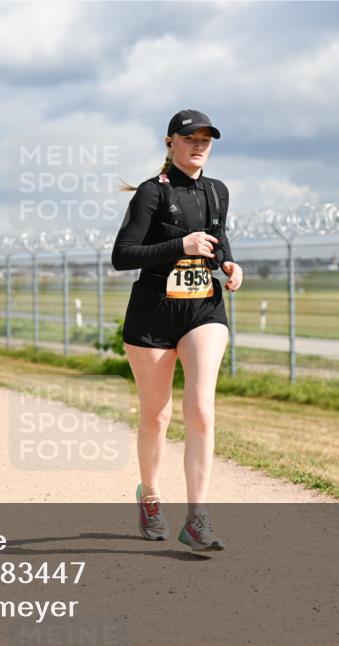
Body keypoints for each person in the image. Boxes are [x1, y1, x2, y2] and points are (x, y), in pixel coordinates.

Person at [112, 109, 244, 554]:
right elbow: (123, 255)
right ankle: (149, 497)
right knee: (156, 415)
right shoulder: (152, 193)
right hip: (153, 316)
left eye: (207, 138)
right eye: (191, 138)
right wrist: (179, 246)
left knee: (202, 411)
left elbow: (217, 240)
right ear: (170, 142)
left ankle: (198, 516)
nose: (200, 144)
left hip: (203, 310)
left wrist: (228, 263)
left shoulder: (217, 191)